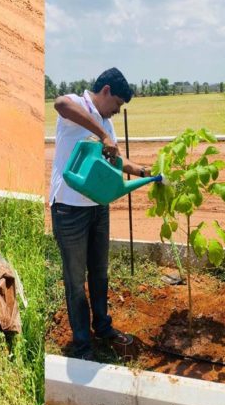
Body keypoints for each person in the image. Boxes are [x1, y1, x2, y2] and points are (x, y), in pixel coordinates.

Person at [50, 67, 150, 359]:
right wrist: (102, 133)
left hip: (97, 206)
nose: (117, 111)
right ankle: (82, 345)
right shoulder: (78, 104)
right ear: (105, 91)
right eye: (117, 104)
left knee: (99, 273)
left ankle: (103, 327)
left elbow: (117, 159)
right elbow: (59, 104)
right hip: (69, 209)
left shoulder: (106, 122)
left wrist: (143, 171)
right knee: (75, 280)